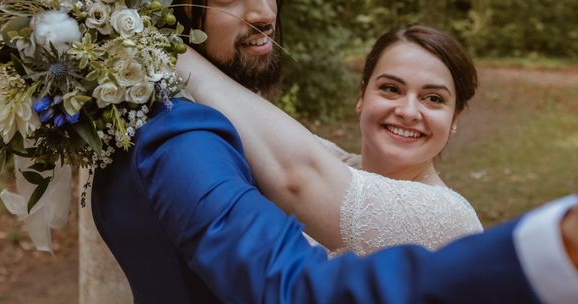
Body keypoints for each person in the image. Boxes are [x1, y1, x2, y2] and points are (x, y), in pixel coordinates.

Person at [91, 0, 578, 303]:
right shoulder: (184, 135)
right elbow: (296, 274)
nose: (264, 12)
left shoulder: (137, 116)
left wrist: (160, 51)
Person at [176, 25, 483, 255]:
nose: (408, 111)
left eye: (433, 98)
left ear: (454, 119)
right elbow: (258, 124)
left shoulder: (449, 217)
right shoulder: (341, 165)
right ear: (362, 96)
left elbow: (296, 176)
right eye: (391, 89)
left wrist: (161, 47)